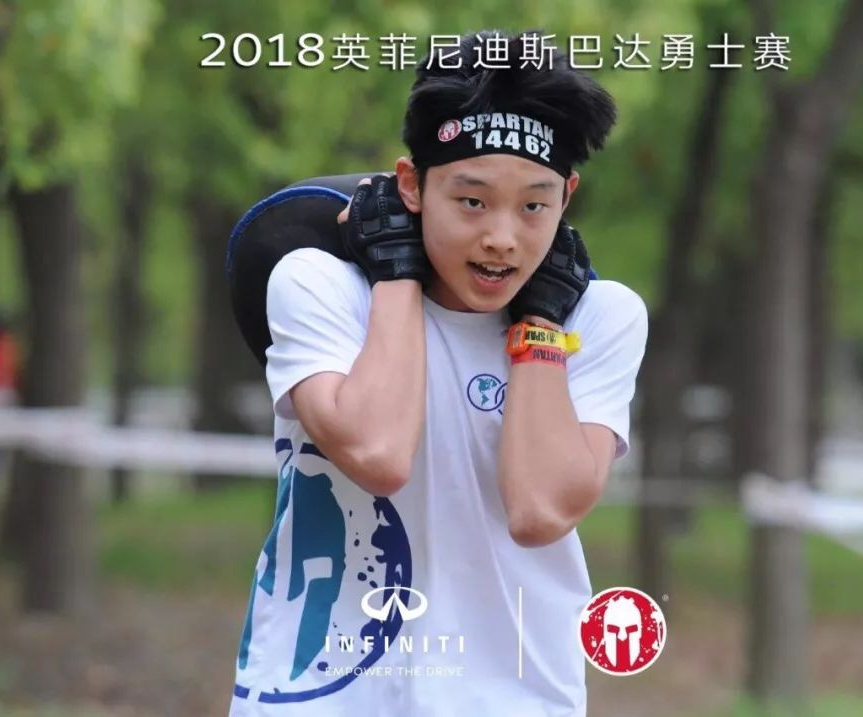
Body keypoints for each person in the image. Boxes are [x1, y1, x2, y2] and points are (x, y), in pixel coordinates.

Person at [230, 29, 649, 717]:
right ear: (411, 185)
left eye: (534, 205)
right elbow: (380, 453)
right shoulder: (317, 285)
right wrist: (397, 272)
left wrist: (540, 325)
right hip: (319, 697)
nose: (502, 238)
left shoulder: (603, 317)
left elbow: (539, 510)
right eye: (472, 201)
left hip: (514, 698)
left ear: (567, 197)